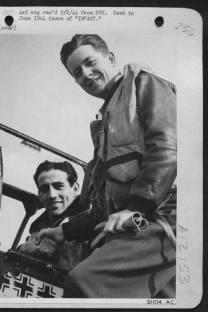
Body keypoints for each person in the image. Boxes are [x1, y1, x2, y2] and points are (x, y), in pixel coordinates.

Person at [35, 34, 177, 298]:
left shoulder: (144, 84)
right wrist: (62, 231)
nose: (86, 75)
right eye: (77, 73)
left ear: (110, 58)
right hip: (136, 223)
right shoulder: (105, 124)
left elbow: (168, 148)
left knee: (84, 283)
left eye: (90, 63)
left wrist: (137, 207)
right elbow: (105, 207)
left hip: (165, 217)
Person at [18, 160, 89, 272]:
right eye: (44, 189)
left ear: (75, 189)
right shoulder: (39, 226)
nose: (52, 195)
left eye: (58, 186)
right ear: (39, 195)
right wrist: (25, 248)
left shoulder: (86, 222)